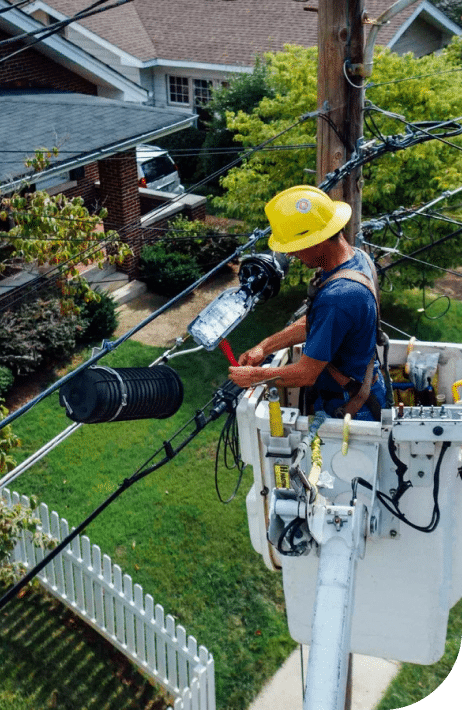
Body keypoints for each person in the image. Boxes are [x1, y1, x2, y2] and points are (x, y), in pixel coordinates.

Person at [228, 185, 387, 421]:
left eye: (294, 247)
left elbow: (305, 374)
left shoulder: (339, 297)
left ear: (317, 241)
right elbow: (317, 323)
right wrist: (265, 346)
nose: (291, 255)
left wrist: (253, 376)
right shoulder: (356, 258)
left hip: (349, 408)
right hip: (361, 389)